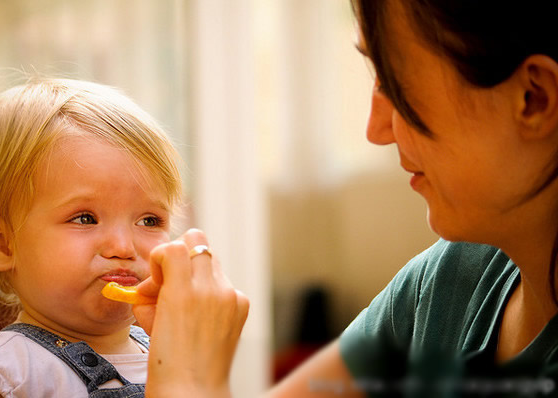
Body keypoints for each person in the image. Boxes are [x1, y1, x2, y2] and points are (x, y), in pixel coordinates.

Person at [138, 0, 558, 396]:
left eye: (394, 82)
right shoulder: (451, 278)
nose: (375, 130)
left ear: (534, 99)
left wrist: (189, 378)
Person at [0, 78, 249, 397]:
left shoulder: (174, 353)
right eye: (85, 218)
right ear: (1, 243)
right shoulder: (0, 375)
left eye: (149, 220)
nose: (123, 248)